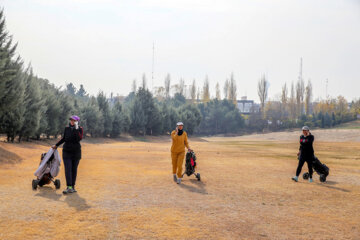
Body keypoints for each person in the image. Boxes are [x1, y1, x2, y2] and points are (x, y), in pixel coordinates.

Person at [52, 115, 83, 194]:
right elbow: (64, 138)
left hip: (76, 153)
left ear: (77, 121)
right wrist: (56, 145)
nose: (72, 121)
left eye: (74, 120)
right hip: (67, 152)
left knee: (74, 170)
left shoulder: (80, 129)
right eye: (71, 120)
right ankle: (69, 187)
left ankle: (72, 186)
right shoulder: (67, 128)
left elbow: (79, 138)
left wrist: (76, 128)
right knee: (68, 169)